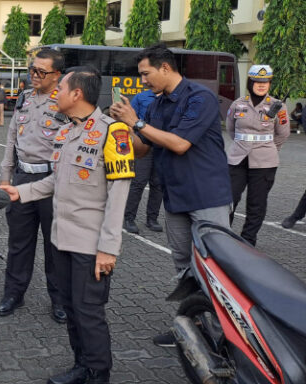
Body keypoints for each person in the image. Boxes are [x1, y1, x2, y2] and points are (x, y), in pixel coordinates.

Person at [0, 66, 134, 384]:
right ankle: (82, 366)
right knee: (72, 309)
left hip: (91, 246)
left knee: (89, 313)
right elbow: (54, 183)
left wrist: (108, 249)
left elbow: (119, 196)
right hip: (62, 240)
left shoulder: (113, 132)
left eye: (60, 88)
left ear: (76, 94)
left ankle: (99, 374)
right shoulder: (66, 132)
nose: (55, 94)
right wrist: (21, 191)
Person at [110, 43, 233, 348]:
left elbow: (179, 144)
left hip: (207, 196)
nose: (142, 81)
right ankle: (193, 327)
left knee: (216, 265)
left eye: (145, 73)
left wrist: (136, 122)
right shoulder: (156, 104)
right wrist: (122, 130)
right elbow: (143, 148)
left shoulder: (199, 98)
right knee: (183, 265)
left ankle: (227, 335)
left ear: (165, 68)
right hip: (174, 196)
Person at [0, 48, 68, 322]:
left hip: (53, 181)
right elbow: (12, 138)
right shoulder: (24, 98)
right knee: (18, 242)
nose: (34, 75)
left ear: (57, 74)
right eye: (32, 70)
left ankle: (60, 299)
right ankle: (14, 293)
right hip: (22, 178)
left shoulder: (64, 100)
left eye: (41, 71)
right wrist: (5, 177)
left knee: (55, 244)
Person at [226, 65, 290, 245]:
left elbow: (283, 134)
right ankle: (223, 236)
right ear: (250, 82)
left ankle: (248, 240)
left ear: (269, 84)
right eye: (257, 82)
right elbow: (231, 129)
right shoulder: (238, 103)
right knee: (228, 199)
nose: (261, 85)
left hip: (265, 162)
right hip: (237, 158)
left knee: (257, 204)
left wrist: (268, 150)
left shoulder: (278, 106)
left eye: (266, 82)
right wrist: (243, 144)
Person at [122, 89, 164, 234]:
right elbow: (129, 120)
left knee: (158, 184)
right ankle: (129, 218)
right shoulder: (141, 97)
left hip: (163, 146)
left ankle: (152, 219)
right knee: (138, 182)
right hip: (143, 145)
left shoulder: (171, 98)